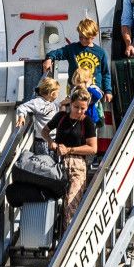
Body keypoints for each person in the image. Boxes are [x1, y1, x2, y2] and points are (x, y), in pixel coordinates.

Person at [46, 89, 100, 224]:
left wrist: (69, 149)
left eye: (83, 108)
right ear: (70, 104)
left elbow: (93, 148)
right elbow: (45, 130)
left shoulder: (87, 122)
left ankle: (67, 239)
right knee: (53, 202)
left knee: (71, 203)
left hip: (77, 165)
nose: (80, 111)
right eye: (76, 107)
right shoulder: (61, 117)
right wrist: (51, 142)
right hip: (57, 164)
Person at [41, 17, 112, 112]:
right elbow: (57, 53)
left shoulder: (100, 52)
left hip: (93, 93)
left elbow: (105, 73)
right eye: (80, 37)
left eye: (86, 38)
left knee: (91, 118)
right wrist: (49, 58)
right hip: (75, 91)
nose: (83, 40)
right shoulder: (72, 49)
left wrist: (108, 91)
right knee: (74, 116)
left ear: (93, 36)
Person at [14, 77, 60, 152]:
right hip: (42, 140)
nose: (58, 94)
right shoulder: (37, 102)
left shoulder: (53, 103)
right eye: (58, 92)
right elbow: (22, 107)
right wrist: (21, 116)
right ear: (52, 93)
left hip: (54, 138)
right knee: (43, 161)